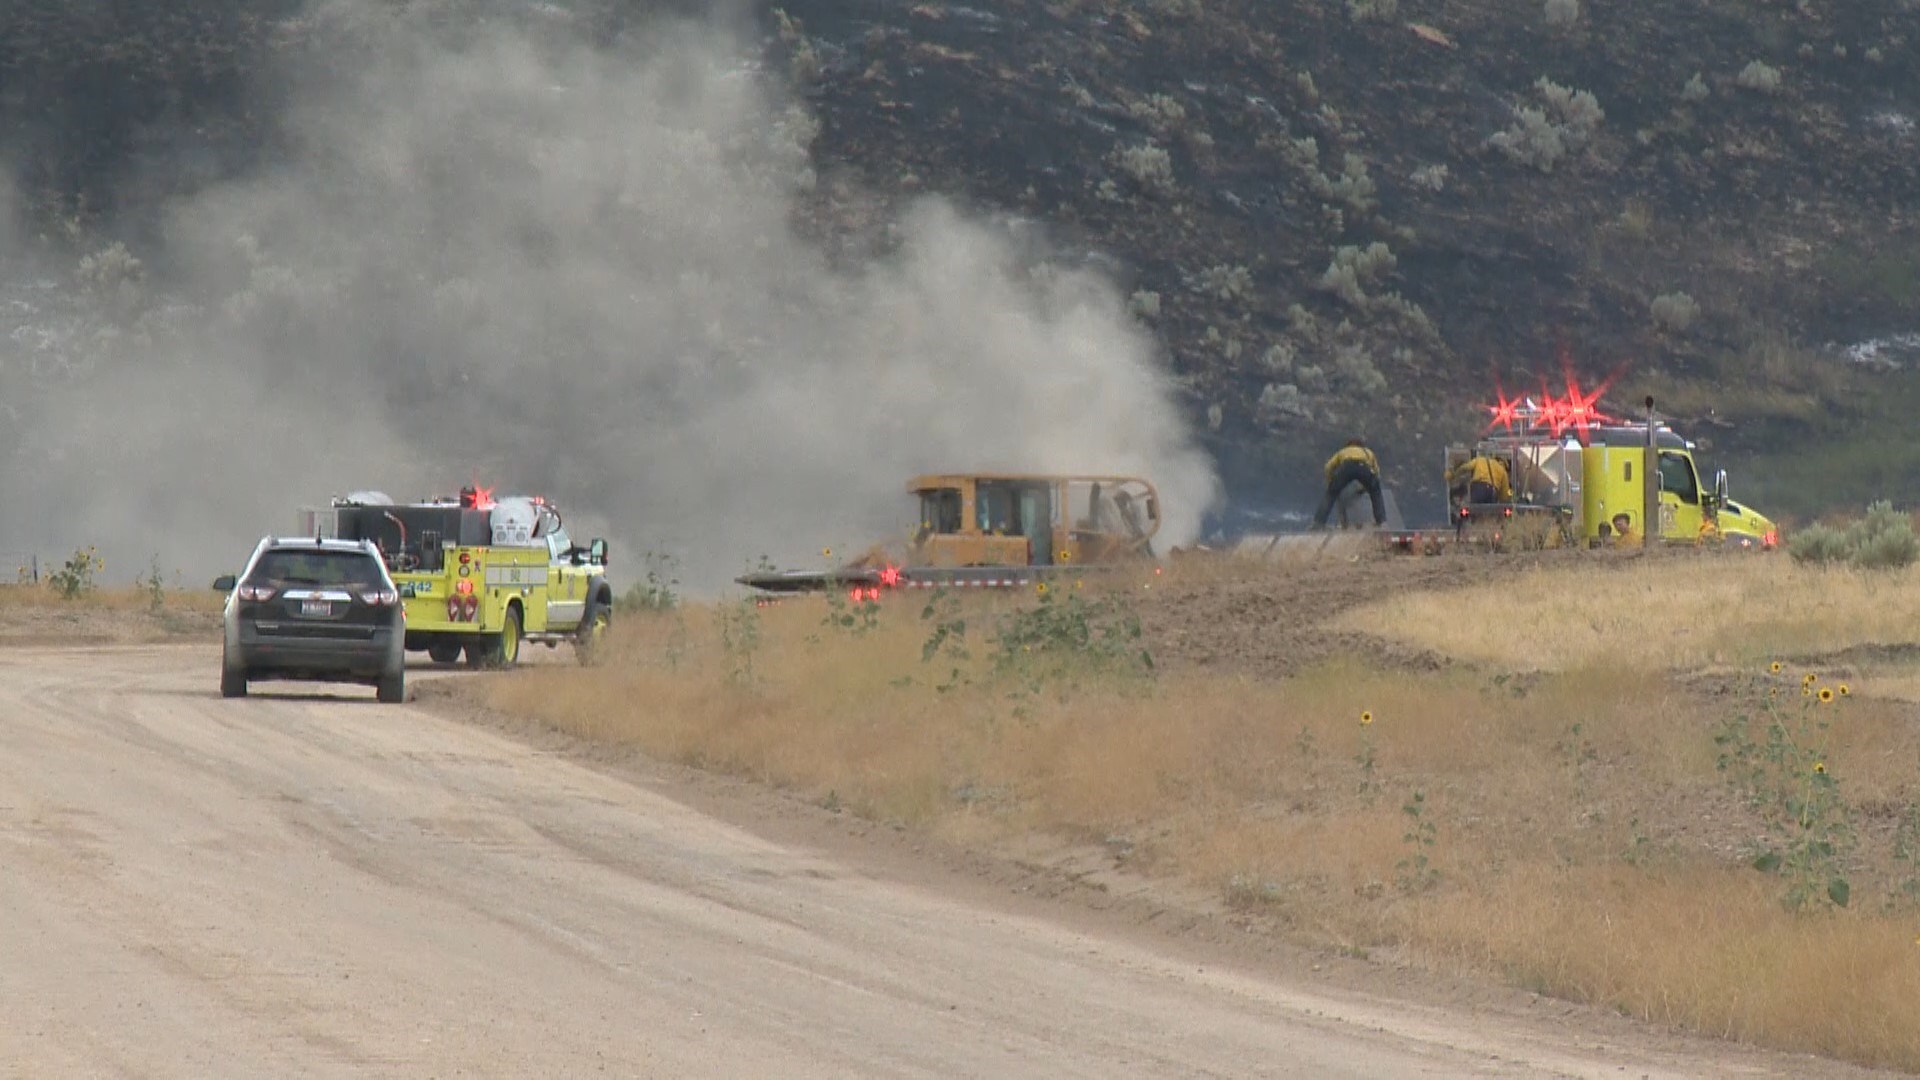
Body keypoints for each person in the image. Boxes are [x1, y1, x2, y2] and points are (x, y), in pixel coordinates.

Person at [1313, 438, 1386, 529]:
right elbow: (1376, 472)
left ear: (1348, 445)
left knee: (1331, 494)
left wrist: (1331, 483)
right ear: (1360, 446)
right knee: (1376, 492)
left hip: (1346, 467)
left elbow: (1328, 467)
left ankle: (1319, 522)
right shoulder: (1368, 452)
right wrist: (1367, 487)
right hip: (1363, 467)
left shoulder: (1343, 451)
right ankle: (1381, 522)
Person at [1447, 453, 1513, 506]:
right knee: (1489, 514)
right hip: (1491, 491)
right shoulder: (1503, 471)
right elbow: (1504, 496)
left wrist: (1454, 475)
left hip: (1476, 487)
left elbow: (1465, 467)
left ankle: (1472, 521)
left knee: (1474, 510)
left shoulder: (1480, 460)